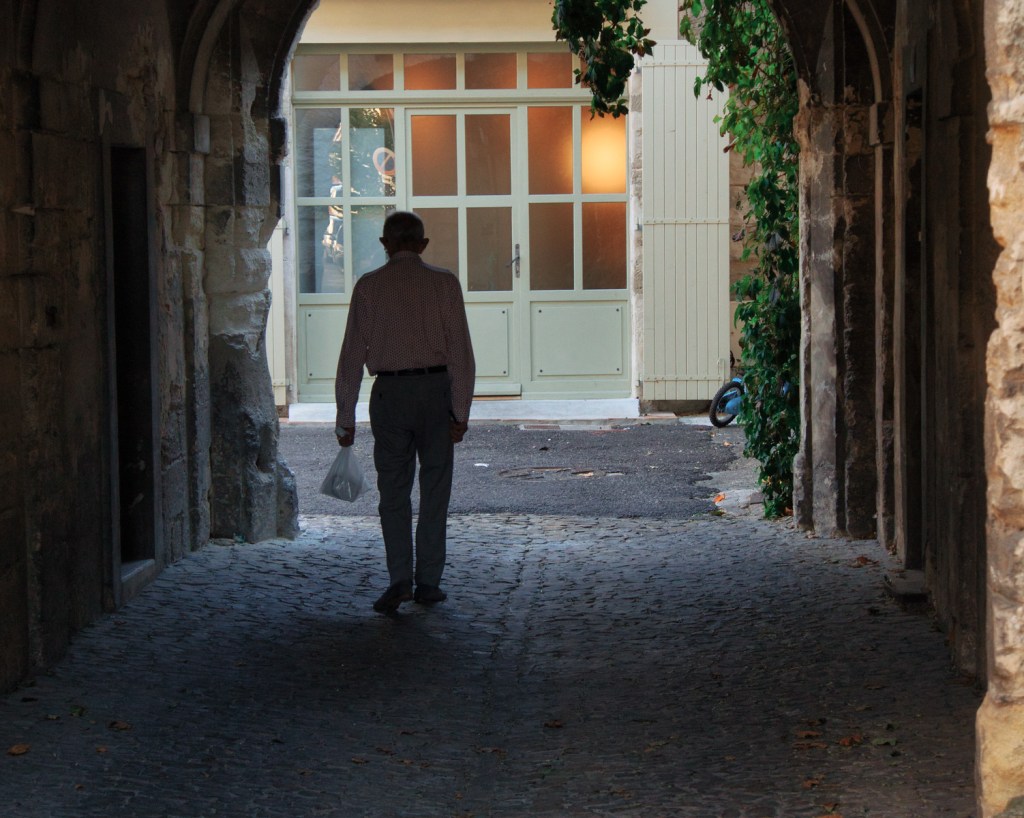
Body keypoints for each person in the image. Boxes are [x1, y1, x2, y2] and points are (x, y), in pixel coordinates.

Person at [335, 211, 476, 614]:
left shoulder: (368, 287)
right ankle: (428, 580)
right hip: (435, 393)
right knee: (436, 489)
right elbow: (460, 354)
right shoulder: (444, 283)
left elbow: (350, 358)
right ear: (423, 244)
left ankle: (399, 577)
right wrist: (460, 412)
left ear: (384, 244)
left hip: (390, 395)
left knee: (392, 491)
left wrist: (346, 419)